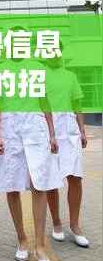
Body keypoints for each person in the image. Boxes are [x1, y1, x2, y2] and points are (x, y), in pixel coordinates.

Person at [0, 27, 62, 261]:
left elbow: (45, 103)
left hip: (35, 129)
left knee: (38, 184)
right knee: (12, 185)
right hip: (10, 130)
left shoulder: (38, 68)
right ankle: (22, 238)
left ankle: (40, 247)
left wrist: (52, 134)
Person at [45, 48, 89, 247]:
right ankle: (56, 223)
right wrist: (49, 132)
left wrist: (82, 130)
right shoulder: (40, 76)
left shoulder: (70, 76)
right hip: (49, 129)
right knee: (52, 179)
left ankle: (75, 225)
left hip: (70, 130)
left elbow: (77, 104)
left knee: (75, 177)